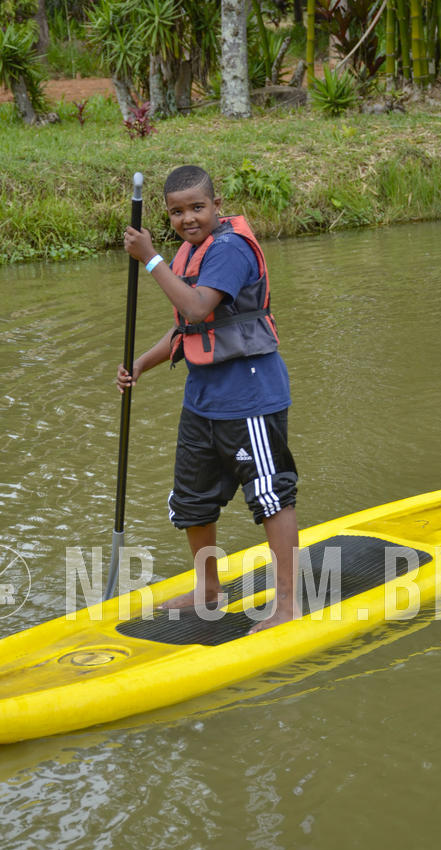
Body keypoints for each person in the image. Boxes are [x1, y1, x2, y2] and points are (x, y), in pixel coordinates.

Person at [117, 165, 299, 633]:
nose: (188, 218)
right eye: (177, 212)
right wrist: (141, 363)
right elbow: (189, 326)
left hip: (251, 398)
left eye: (198, 207)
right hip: (203, 400)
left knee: (270, 496)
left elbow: (199, 305)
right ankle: (208, 590)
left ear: (217, 207)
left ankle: (288, 604)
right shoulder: (187, 254)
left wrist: (150, 259)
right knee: (192, 499)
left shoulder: (230, 250)